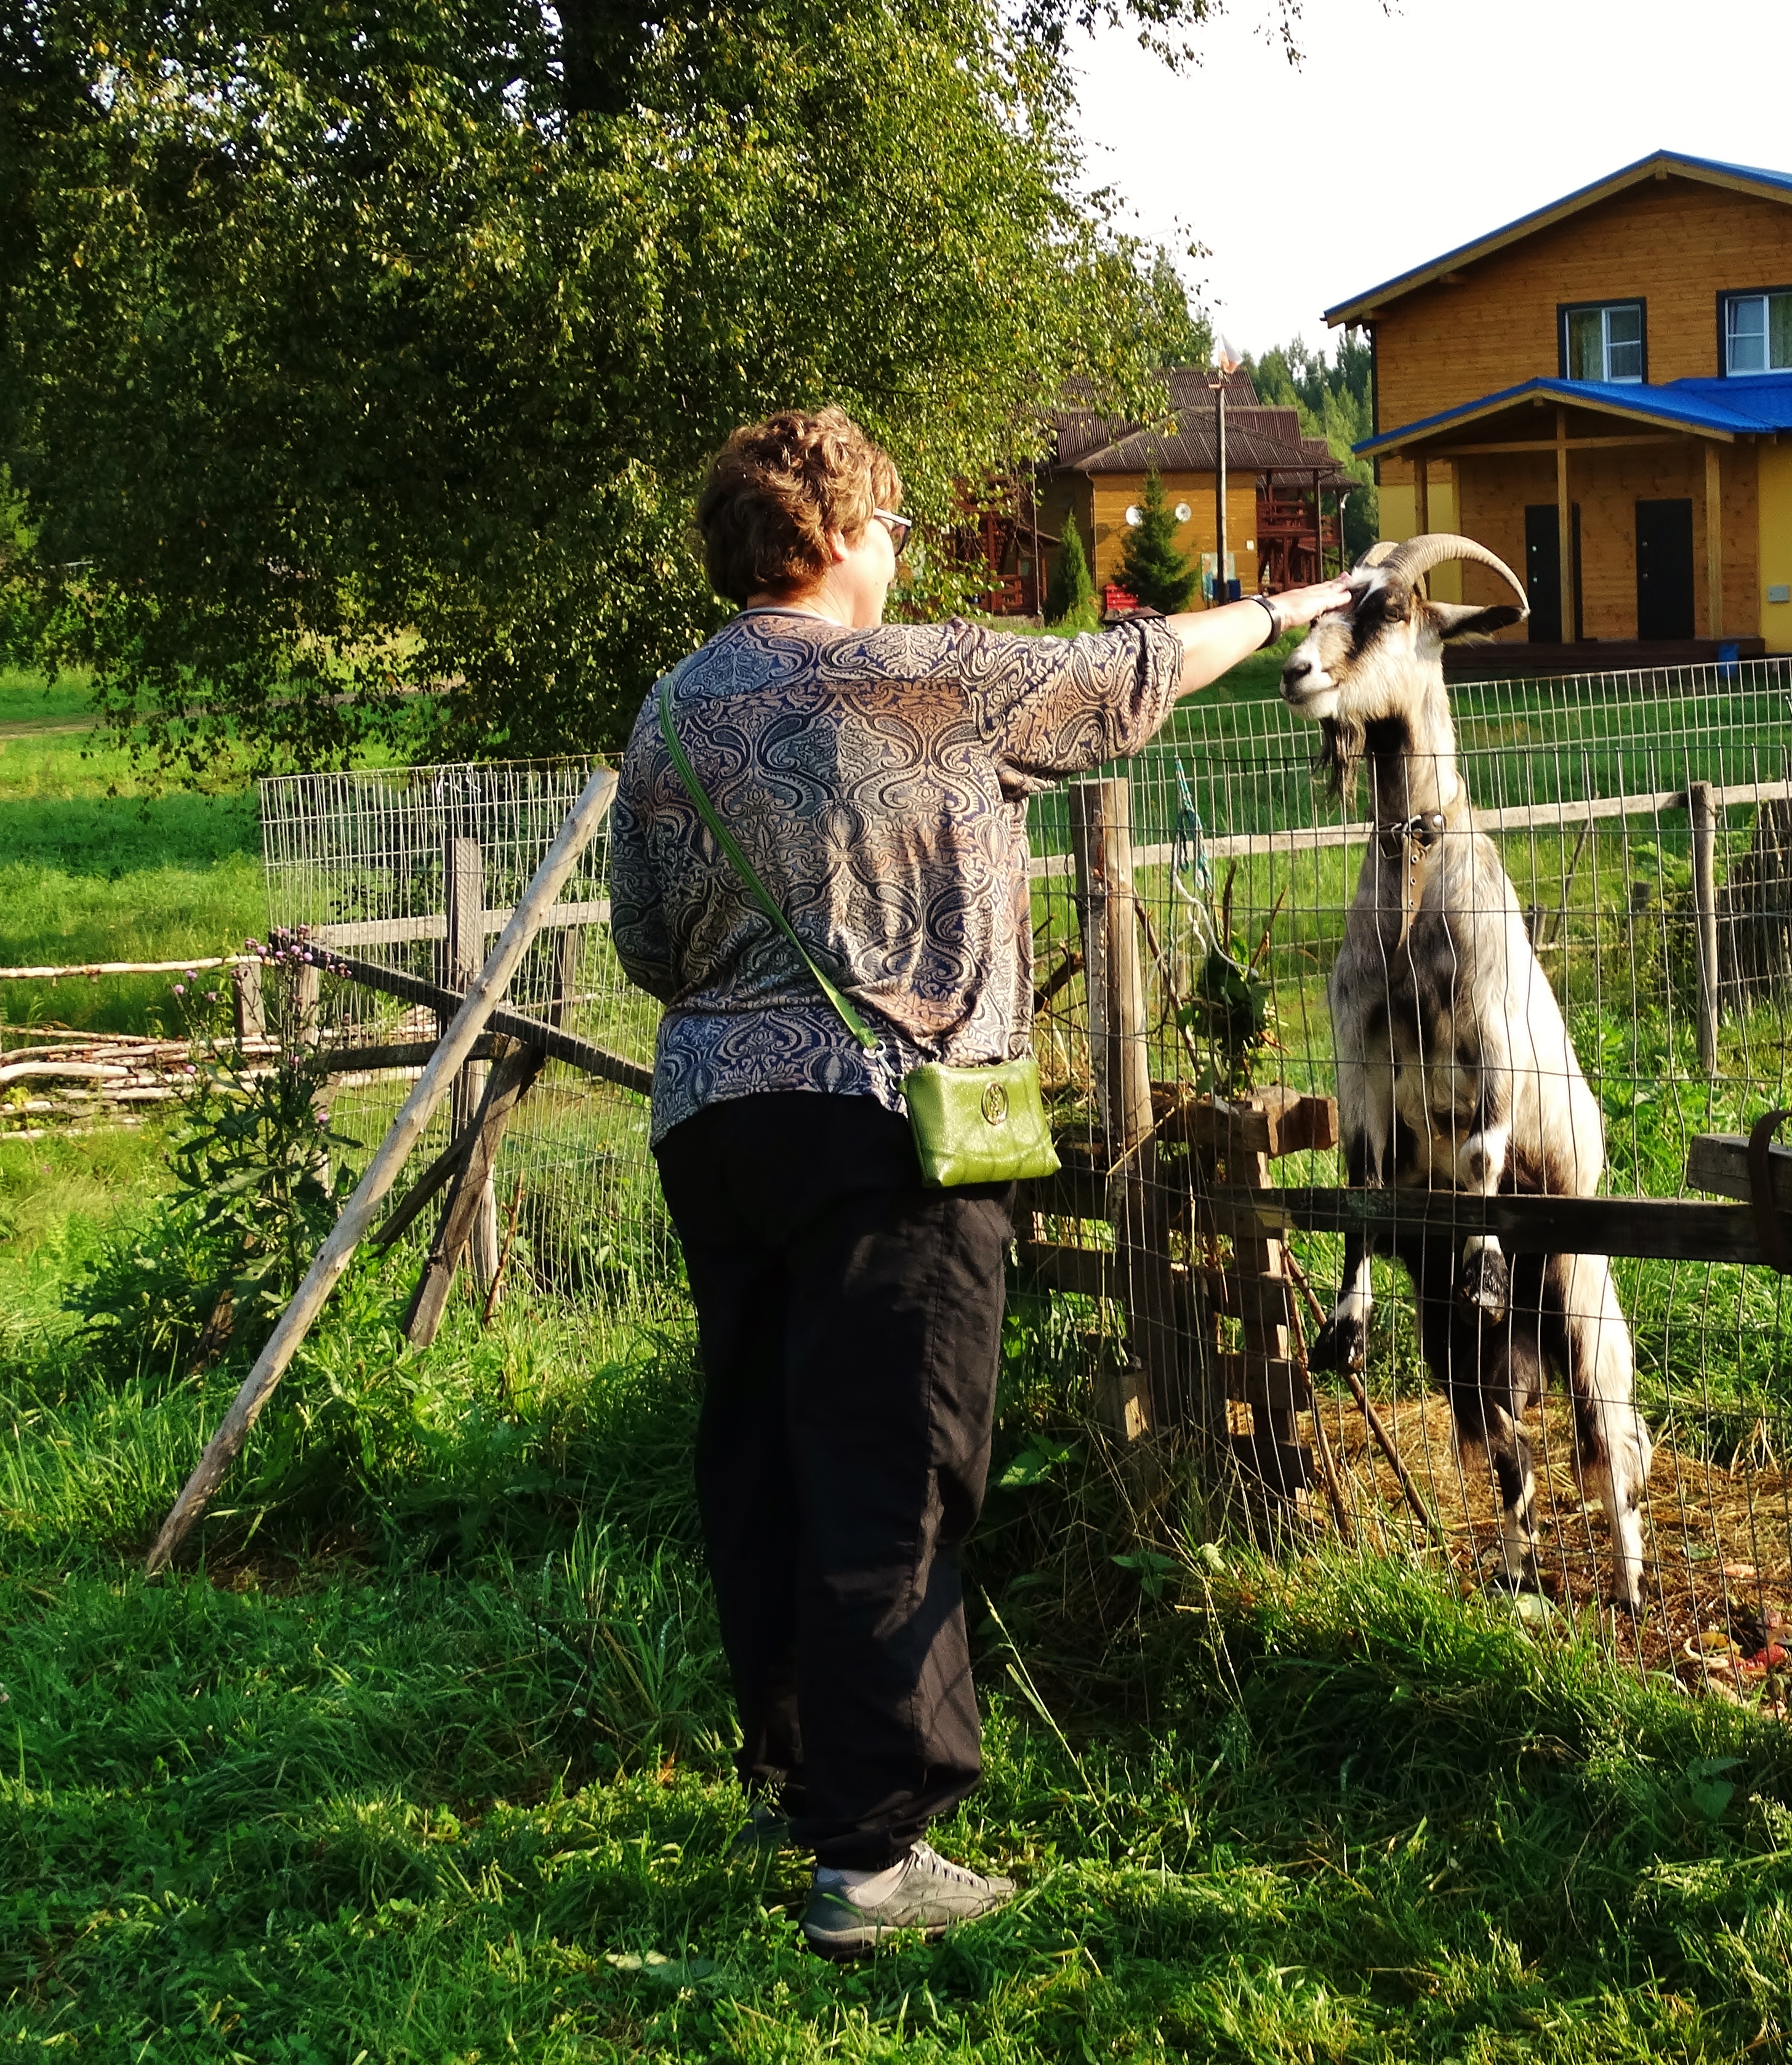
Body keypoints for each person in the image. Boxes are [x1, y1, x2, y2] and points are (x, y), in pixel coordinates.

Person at [609, 406, 1351, 1957]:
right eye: (887, 526)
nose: (898, 554)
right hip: (890, 1125)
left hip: (714, 1129)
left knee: (759, 1449)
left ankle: (801, 1775)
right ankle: (874, 1863)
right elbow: (1135, 673)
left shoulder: (671, 710)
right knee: (895, 1461)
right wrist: (1289, 607)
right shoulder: (926, 679)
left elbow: (643, 945)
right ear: (830, 535)